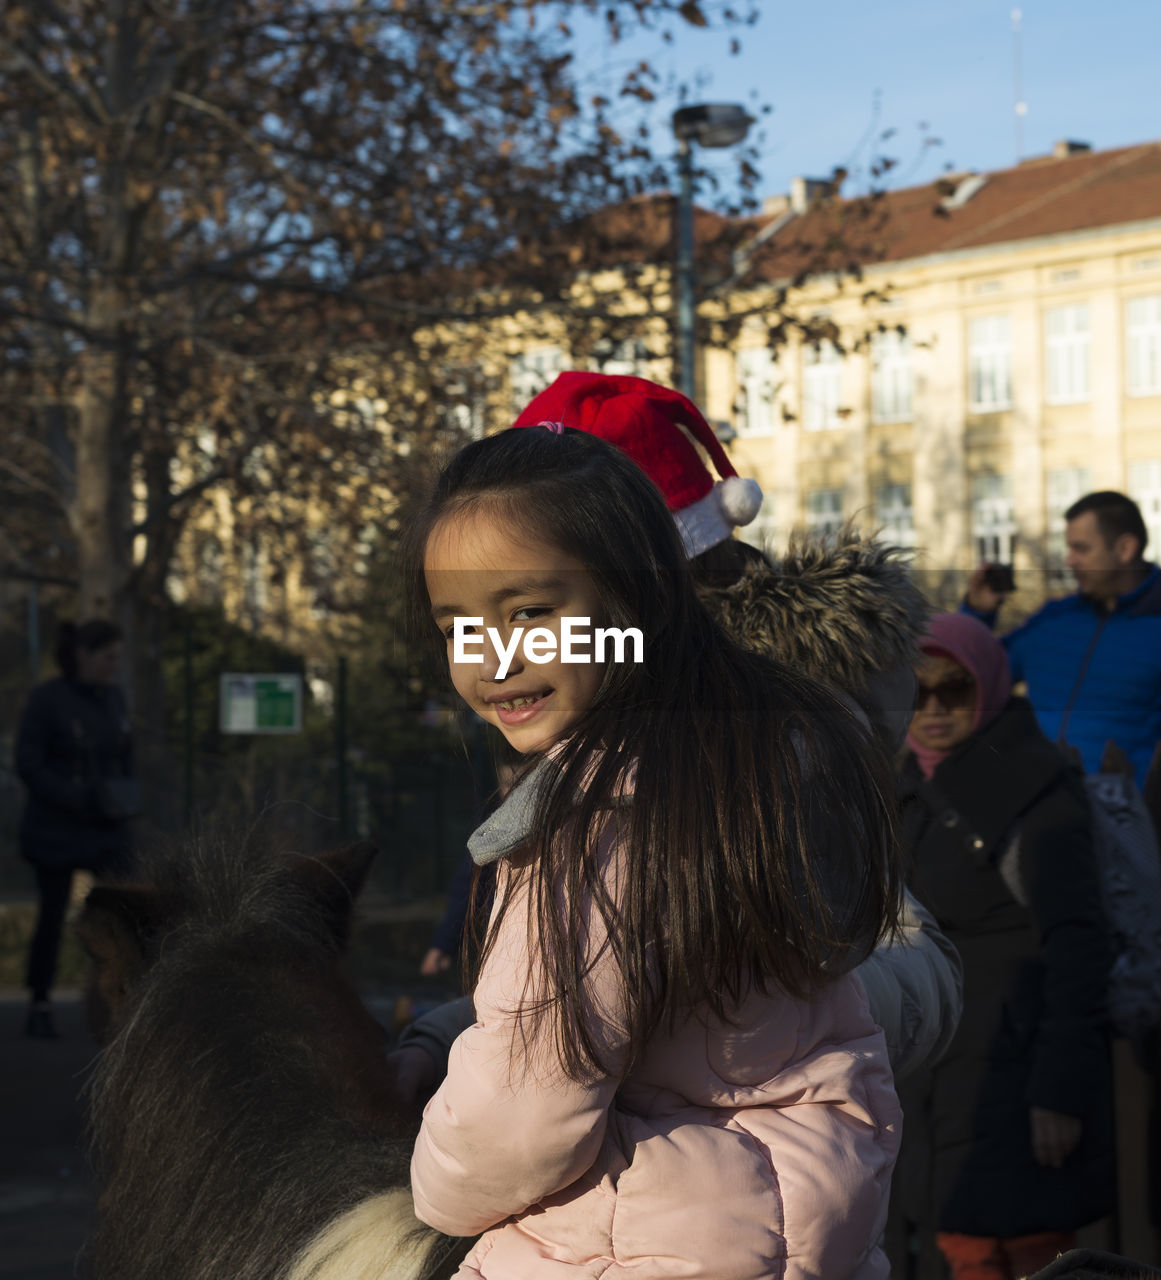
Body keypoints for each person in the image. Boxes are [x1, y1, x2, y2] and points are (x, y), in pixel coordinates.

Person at [404, 423, 904, 1279]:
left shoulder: (592, 820)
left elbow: (519, 1120)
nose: (492, 654)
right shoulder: (762, 749)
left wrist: (428, 1192)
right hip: (797, 1228)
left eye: (528, 609)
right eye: (459, 625)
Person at [390, 373, 961, 1101]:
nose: (499, 651)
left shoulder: (775, 737)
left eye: (531, 607)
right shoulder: (571, 719)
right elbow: (580, 990)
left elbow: (922, 967)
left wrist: (743, 1024)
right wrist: (454, 1039)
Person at [889, 612, 1115, 1280]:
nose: (931, 709)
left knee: (1029, 1251)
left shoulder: (1031, 791)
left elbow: (1078, 946)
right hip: (939, 1071)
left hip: (1015, 1072)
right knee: (959, 1246)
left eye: (951, 689)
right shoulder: (903, 784)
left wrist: (1059, 1093)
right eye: (911, 689)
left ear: (986, 685)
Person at [964, 489, 1161, 788]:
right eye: (1068, 548)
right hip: (1035, 804)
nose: (1069, 561)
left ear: (1124, 549)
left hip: (1121, 820)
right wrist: (976, 615)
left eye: (1081, 549)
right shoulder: (1053, 617)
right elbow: (978, 674)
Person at [15, 619, 137, 1038]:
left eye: (119, 658)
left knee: (124, 909)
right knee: (51, 915)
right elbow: (28, 762)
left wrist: (125, 796)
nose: (115, 666)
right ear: (84, 656)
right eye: (109, 657)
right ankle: (40, 1001)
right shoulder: (47, 700)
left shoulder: (114, 699)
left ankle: (121, 998)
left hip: (105, 826)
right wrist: (73, 796)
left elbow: (124, 755)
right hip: (56, 828)